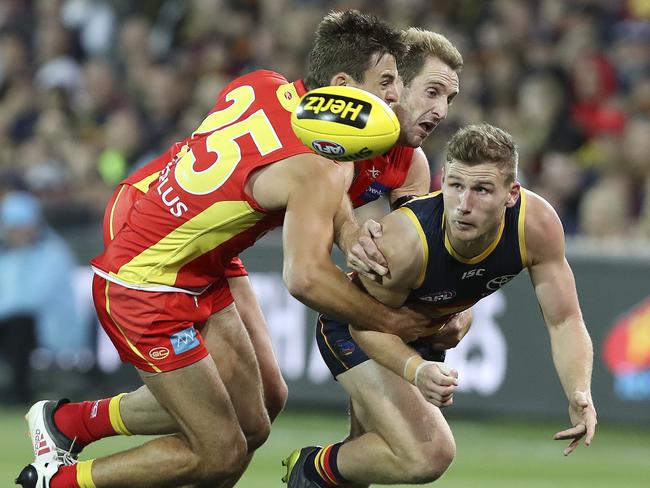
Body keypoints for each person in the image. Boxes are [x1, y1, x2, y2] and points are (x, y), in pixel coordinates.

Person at [16, 10, 437, 488]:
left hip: (189, 237)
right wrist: (390, 322)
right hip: (146, 267)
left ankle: (66, 424)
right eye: (386, 82)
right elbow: (305, 277)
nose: (396, 95)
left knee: (261, 410)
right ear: (342, 86)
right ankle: (55, 481)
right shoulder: (315, 168)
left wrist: (347, 233)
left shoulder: (262, 84)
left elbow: (286, 167)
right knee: (221, 450)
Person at [284, 124, 597, 487]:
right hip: (359, 327)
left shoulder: (536, 225)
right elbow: (366, 324)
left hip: (424, 330)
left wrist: (579, 391)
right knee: (428, 454)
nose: (464, 205)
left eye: (482, 190)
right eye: (456, 186)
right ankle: (309, 469)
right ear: (443, 179)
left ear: (512, 194)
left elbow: (564, 319)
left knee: (374, 452)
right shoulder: (402, 243)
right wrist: (416, 369)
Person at [0, 191, 83, 405]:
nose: (15, 232)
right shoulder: (7, 254)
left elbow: (33, 299)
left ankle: (19, 393)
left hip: (48, 325)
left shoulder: (54, 252)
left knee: (19, 325)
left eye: (19, 226)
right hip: (13, 325)